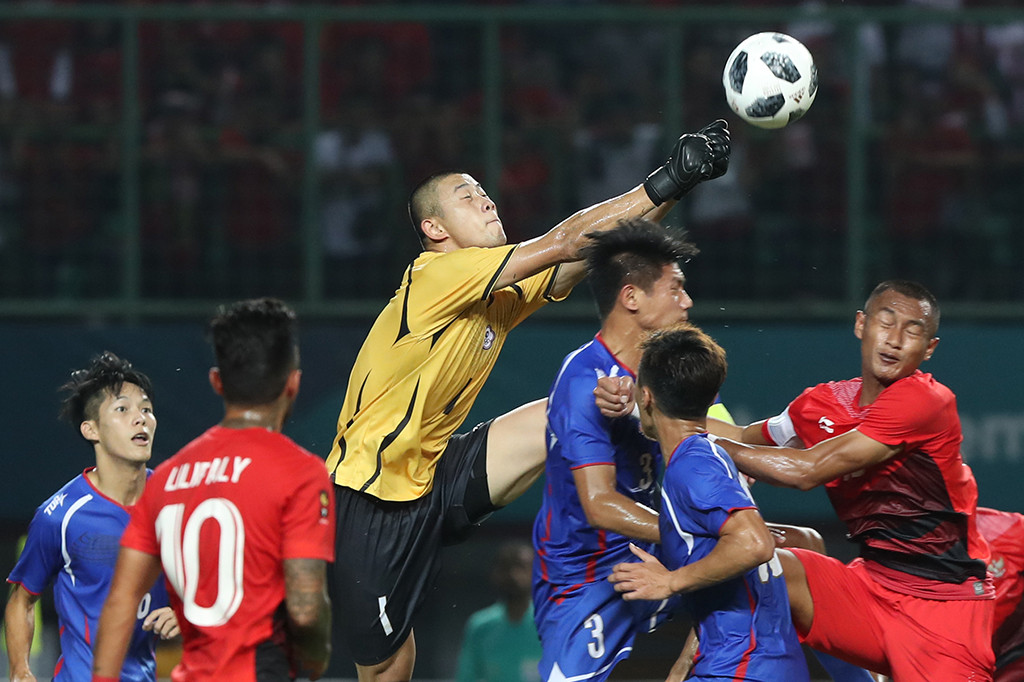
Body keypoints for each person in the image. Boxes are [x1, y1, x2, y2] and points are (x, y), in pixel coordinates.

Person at [323, 117, 732, 682]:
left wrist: (675, 191)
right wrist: (664, 180)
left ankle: (608, 532)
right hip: (371, 497)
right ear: (435, 228)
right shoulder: (437, 275)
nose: (487, 201)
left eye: (486, 193)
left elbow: (584, 256)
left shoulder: (492, 289)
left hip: (435, 471)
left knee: (567, 408)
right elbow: (565, 241)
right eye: (469, 197)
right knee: (388, 668)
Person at [692, 279, 994, 681]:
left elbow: (805, 471)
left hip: (945, 612)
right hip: (870, 590)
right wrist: (650, 414)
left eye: (912, 330)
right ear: (860, 325)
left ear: (929, 349)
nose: (895, 339)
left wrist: (702, 443)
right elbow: (743, 437)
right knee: (771, 569)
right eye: (885, 323)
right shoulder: (820, 404)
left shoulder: (926, 401)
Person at [91, 298, 335, 681]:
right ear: (293, 382)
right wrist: (317, 657)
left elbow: (121, 601)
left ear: (217, 381)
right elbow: (305, 610)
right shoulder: (301, 472)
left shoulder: (169, 478)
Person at [532, 218, 699, 682]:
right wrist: (687, 534)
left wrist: (636, 416)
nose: (687, 302)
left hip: (655, 554)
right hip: (586, 577)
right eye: (675, 289)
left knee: (780, 567)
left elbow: (720, 437)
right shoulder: (585, 379)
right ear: (631, 298)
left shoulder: (672, 368)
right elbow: (600, 504)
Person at [607, 323, 811, 681]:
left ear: (647, 397)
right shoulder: (704, 457)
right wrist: (686, 662)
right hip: (750, 663)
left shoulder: (693, 467)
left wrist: (670, 582)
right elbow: (726, 572)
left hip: (743, 668)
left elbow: (754, 543)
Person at [5, 351, 179, 682]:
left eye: (146, 409)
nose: (140, 418)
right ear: (91, 430)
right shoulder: (60, 516)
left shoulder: (176, 501)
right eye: (123, 410)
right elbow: (22, 600)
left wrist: (185, 615)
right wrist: (20, 671)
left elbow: (211, 583)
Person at [455, 541, 542, 682]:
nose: (514, 575)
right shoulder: (480, 626)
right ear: (495, 574)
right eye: (507, 568)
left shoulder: (550, 623)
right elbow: (466, 677)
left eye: (521, 567)